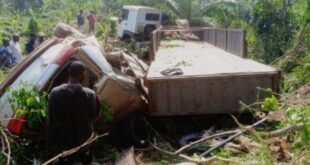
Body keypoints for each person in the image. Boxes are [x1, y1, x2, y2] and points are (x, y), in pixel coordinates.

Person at [48, 61, 100, 165]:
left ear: (69, 72)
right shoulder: (91, 94)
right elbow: (96, 115)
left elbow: (52, 122)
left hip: (64, 143)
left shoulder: (55, 93)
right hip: (85, 142)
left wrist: (52, 144)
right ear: (83, 75)